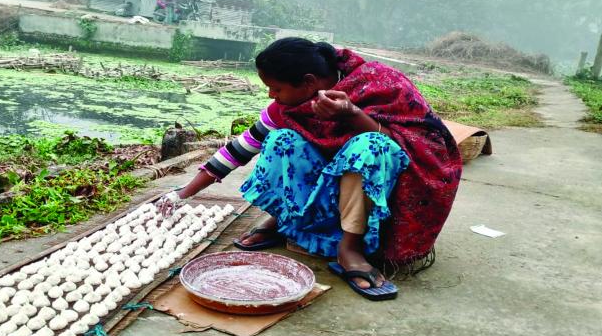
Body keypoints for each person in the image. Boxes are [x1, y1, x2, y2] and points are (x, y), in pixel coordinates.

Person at [157, 38, 462, 300]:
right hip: (324, 189)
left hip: (374, 193)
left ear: (308, 82)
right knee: (281, 140)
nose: (270, 96)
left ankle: (350, 248)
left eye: (275, 88)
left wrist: (352, 114)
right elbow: (239, 149)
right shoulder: (287, 108)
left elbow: (418, 144)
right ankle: (285, 221)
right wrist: (182, 194)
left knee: (370, 147)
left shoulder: (380, 84)